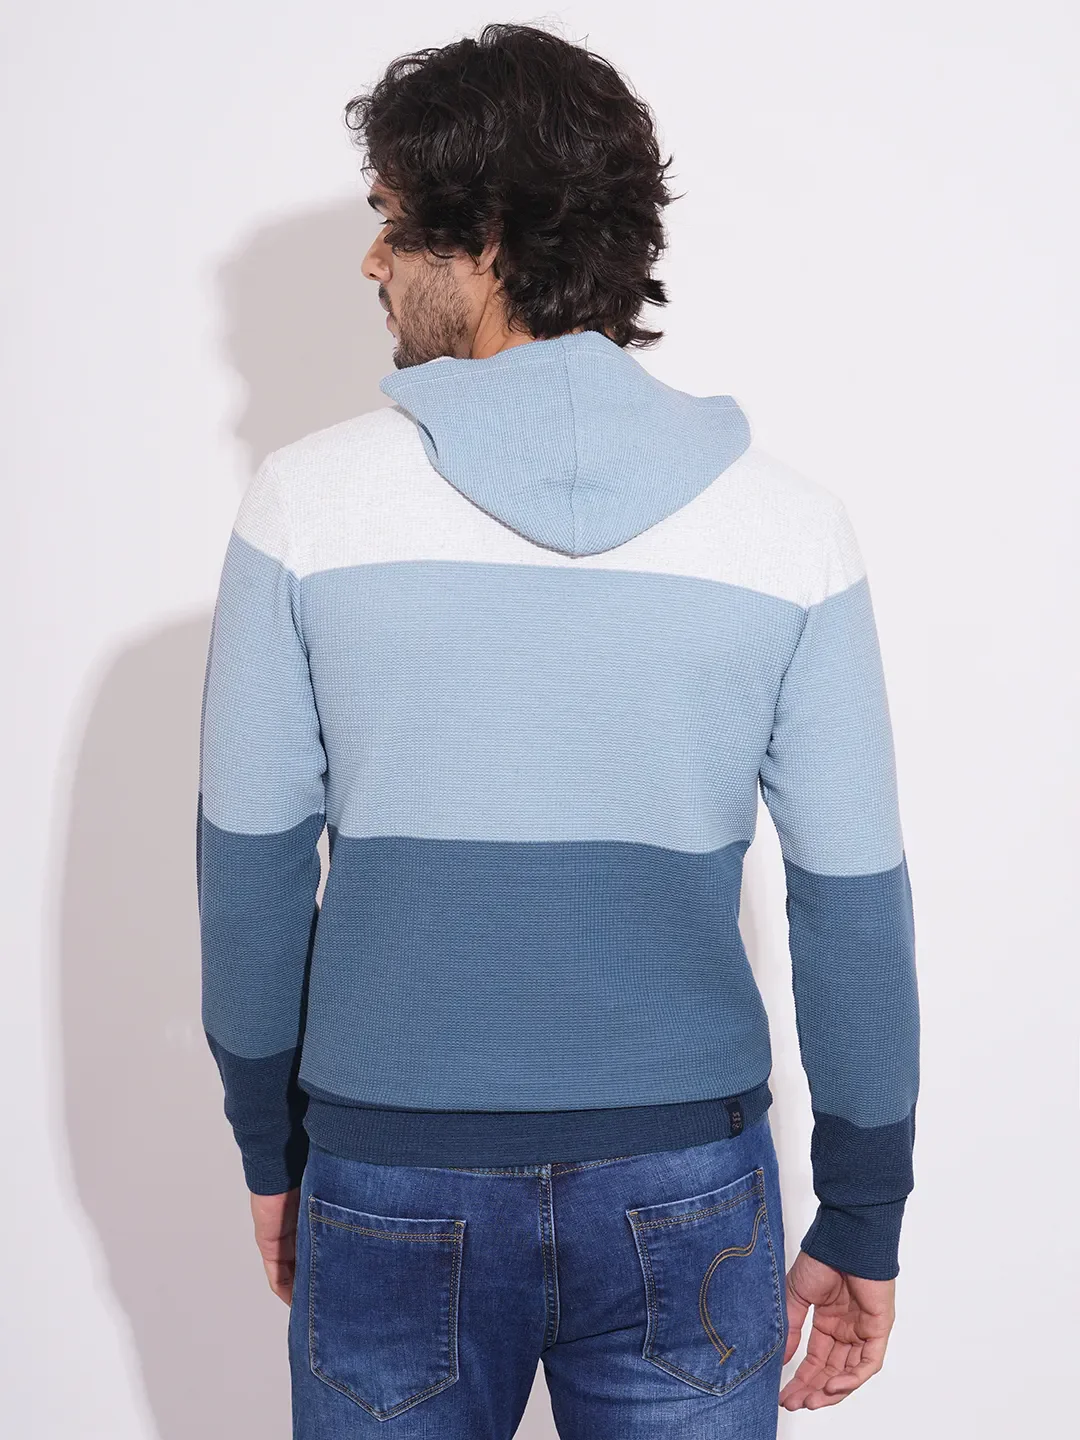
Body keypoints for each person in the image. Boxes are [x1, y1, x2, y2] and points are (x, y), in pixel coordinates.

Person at [196, 22, 919, 1438]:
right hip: (686, 1183)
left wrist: (269, 1143)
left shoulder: (305, 507)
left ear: (489, 241)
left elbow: (251, 877)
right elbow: (855, 906)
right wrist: (864, 1207)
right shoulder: (789, 530)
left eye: (392, 219)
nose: (371, 260)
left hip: (390, 1177)